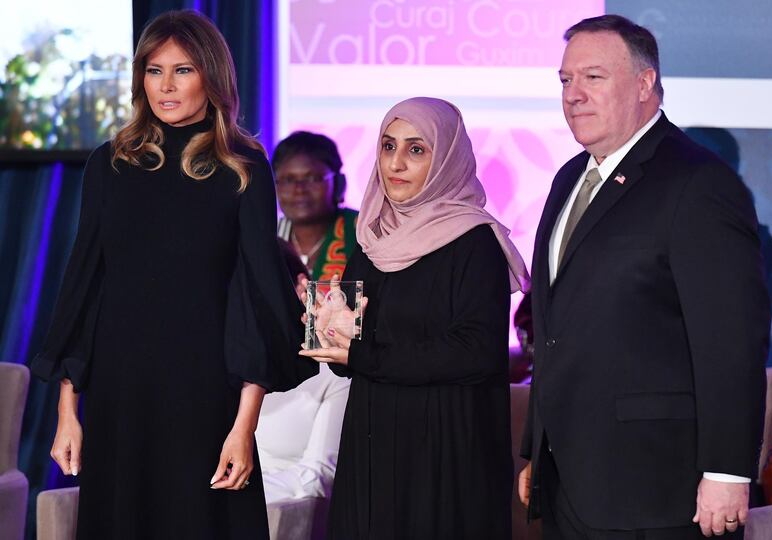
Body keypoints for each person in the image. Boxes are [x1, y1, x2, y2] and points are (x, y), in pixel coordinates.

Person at [31, 10, 316, 539]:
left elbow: (256, 298)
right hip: (120, 394)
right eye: (153, 69)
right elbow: (84, 290)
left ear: (211, 76)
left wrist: (243, 426)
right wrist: (67, 410)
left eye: (182, 70)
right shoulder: (109, 163)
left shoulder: (243, 166)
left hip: (204, 394)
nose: (165, 85)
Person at [517, 14, 770, 539]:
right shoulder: (569, 177)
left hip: (656, 491)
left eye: (593, 77)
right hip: (568, 481)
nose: (573, 95)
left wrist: (727, 471)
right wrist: (534, 450)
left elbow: (730, 342)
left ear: (644, 83)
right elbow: (555, 327)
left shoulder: (697, 182)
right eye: (565, 80)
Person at [299, 96, 530, 539]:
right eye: (388, 147)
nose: (396, 163)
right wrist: (330, 332)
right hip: (374, 438)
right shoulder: (372, 239)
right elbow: (348, 358)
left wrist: (364, 353)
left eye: (416, 149)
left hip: (445, 448)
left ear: (446, 159)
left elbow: (476, 354)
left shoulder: (474, 241)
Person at [254, 241, 351, 505]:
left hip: (289, 514)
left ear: (301, 285)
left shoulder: (331, 369)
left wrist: (242, 495)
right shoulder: (234, 363)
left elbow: (319, 475)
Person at [273, 131, 358, 281]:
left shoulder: (360, 232)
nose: (299, 189)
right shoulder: (267, 238)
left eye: (312, 178)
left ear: (338, 183)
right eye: (287, 180)